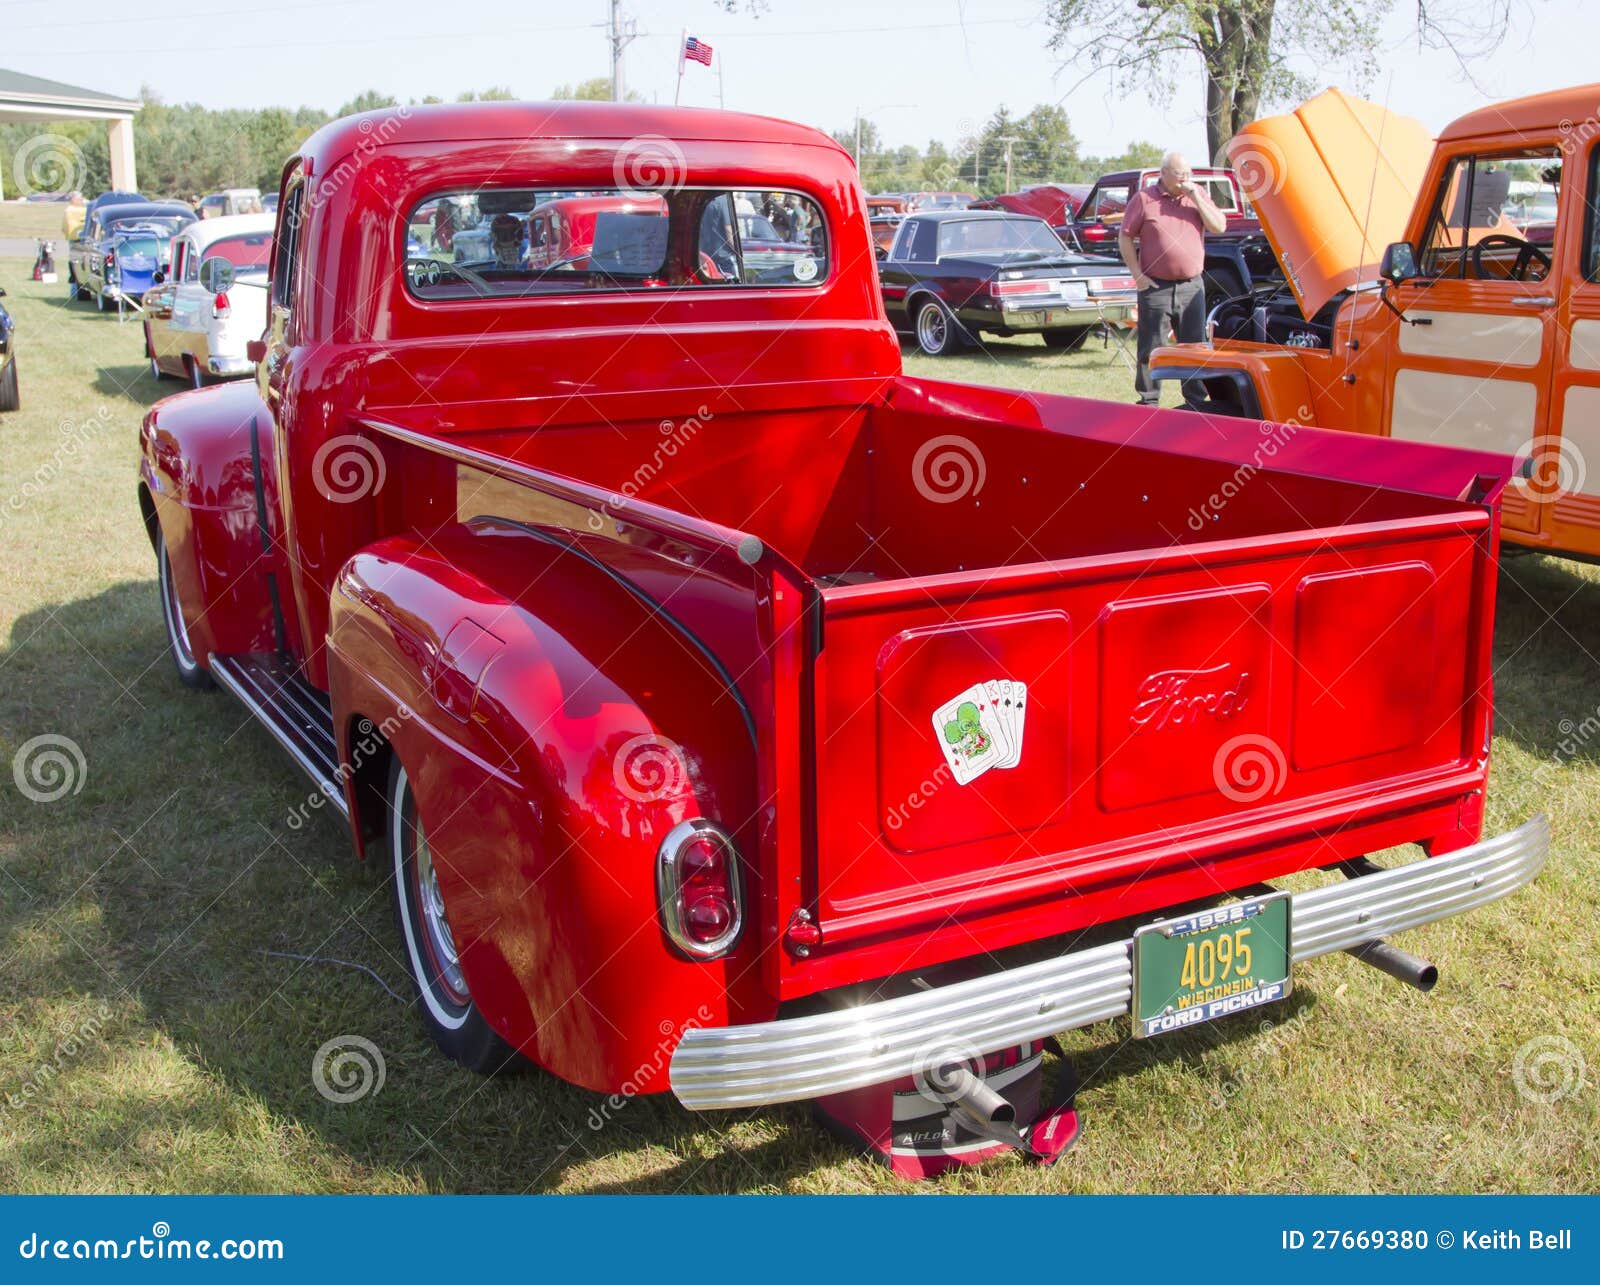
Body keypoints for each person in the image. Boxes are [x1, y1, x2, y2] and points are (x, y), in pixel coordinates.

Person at [1118, 152, 1226, 408]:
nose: (1185, 179)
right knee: (1151, 347)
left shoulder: (1197, 194)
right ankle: (1148, 400)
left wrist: (1196, 196)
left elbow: (1219, 226)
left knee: (1194, 347)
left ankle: (1195, 400)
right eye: (1180, 174)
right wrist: (1137, 274)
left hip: (1191, 286)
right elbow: (1125, 236)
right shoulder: (1144, 199)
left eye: (1189, 174)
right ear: (1163, 173)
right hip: (1156, 287)